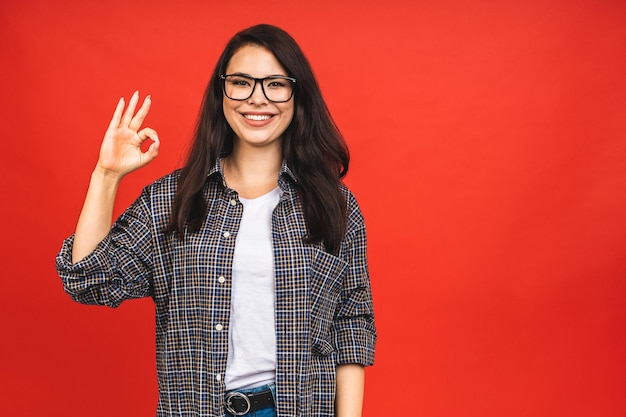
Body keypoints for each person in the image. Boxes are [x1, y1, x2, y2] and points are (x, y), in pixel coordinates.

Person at [56, 24, 376, 417]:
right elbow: (89, 280)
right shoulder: (173, 200)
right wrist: (106, 176)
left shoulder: (333, 205)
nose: (257, 99)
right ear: (221, 93)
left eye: (275, 84)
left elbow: (350, 325)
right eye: (241, 82)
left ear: (298, 95)